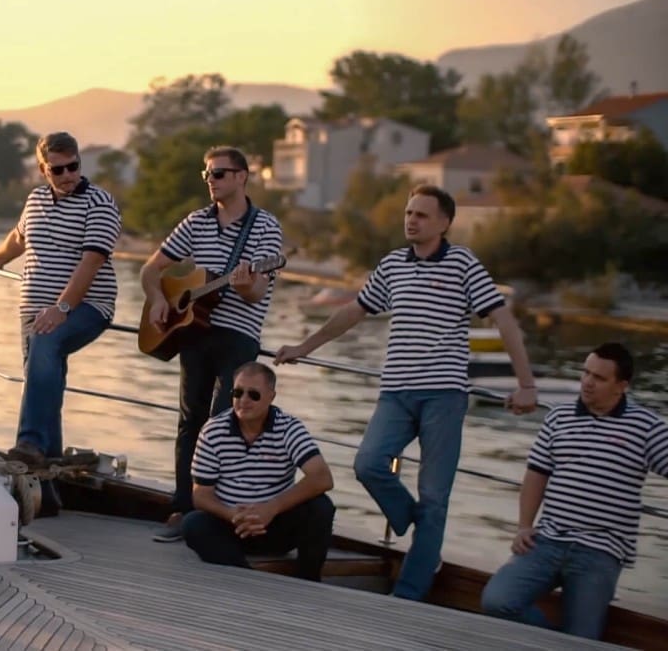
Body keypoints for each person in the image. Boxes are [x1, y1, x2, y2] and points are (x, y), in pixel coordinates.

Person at [275, 183, 539, 601]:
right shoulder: (393, 264)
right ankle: (419, 527)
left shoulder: (463, 263)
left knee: (435, 495)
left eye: (421, 214)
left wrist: (526, 384)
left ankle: (409, 594)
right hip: (396, 391)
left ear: (444, 223)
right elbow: (353, 312)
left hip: (444, 396)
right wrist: (304, 348)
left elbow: (504, 320)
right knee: (368, 464)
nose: (411, 220)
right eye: (409, 213)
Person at [140, 146, 283, 542]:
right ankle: (183, 508)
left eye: (219, 174)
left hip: (238, 336)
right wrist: (158, 298)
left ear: (241, 176)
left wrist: (246, 283)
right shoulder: (196, 221)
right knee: (190, 421)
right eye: (207, 174)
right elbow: (151, 268)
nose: (211, 181)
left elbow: (257, 293)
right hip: (193, 332)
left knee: (224, 422)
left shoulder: (265, 226)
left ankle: (218, 515)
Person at [481, 343, 667, 639]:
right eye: (586, 373)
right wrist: (524, 526)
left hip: (602, 549)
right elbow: (536, 474)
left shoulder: (646, 427)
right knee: (497, 601)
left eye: (599, 378)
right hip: (548, 540)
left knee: (582, 638)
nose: (588, 382)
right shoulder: (559, 417)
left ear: (622, 386)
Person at [0, 131, 122, 465]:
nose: (68, 175)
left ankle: (29, 443)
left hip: (86, 307)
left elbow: (92, 262)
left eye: (73, 166)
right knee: (44, 383)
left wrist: (62, 308)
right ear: (43, 170)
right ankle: (49, 472)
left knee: (45, 345)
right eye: (58, 170)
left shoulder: (100, 203)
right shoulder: (35, 199)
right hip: (33, 310)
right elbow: (18, 238)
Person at [181, 362, 335, 580]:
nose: (243, 400)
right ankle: (246, 577)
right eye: (237, 392)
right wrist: (232, 515)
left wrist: (271, 508)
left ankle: (308, 580)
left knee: (321, 507)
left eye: (253, 395)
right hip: (232, 526)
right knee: (193, 524)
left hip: (276, 525)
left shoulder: (289, 428)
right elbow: (200, 495)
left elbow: (322, 478)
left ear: (271, 397)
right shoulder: (213, 431)